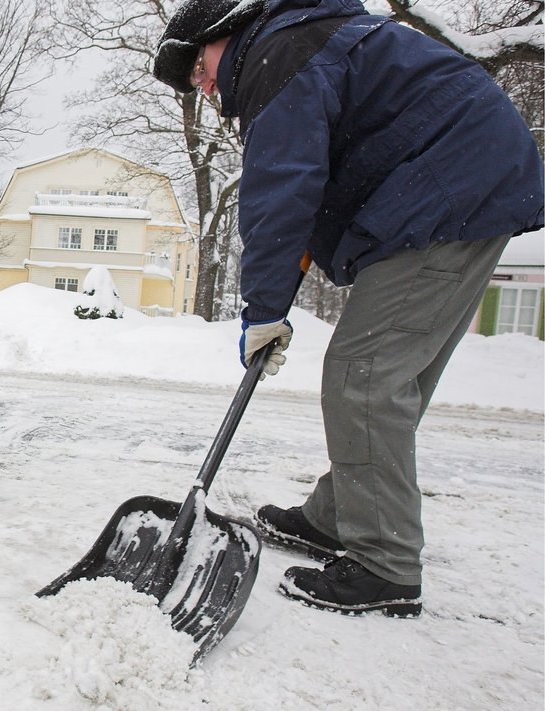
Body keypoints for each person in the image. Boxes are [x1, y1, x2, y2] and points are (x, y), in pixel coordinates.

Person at [153, 0, 543, 617]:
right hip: (462, 180)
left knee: (364, 374)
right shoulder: (304, 42)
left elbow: (282, 189)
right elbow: (323, 175)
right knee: (389, 375)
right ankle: (338, 515)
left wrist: (263, 311)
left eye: (196, 67)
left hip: (445, 189)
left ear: (223, 34)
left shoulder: (276, 56)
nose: (201, 85)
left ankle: (385, 565)